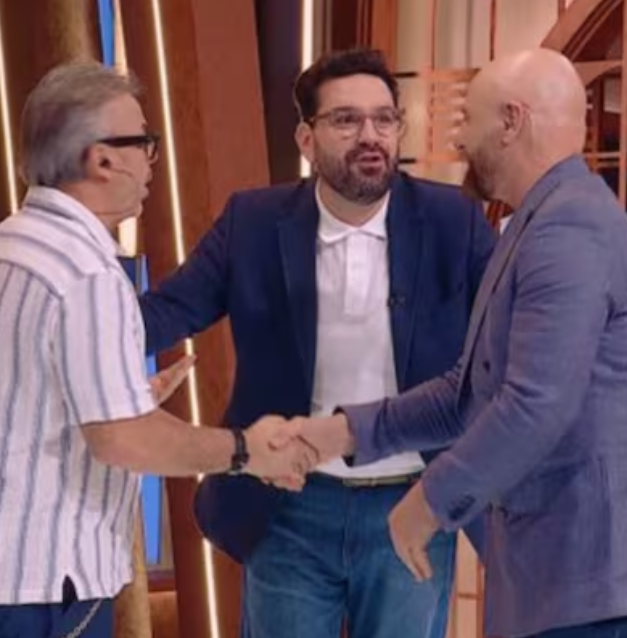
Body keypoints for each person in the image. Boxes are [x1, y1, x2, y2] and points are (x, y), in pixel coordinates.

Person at [294, 48, 627, 638]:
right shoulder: (538, 223)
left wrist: (427, 503)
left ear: (512, 122)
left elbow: (536, 403)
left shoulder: (568, 226)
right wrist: (343, 433)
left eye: (468, 118)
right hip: (575, 587)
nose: (458, 137)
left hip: (608, 587)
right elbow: (468, 394)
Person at [0, 61, 313, 638]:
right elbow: (122, 440)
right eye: (144, 142)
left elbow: (12, 399)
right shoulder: (87, 273)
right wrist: (245, 451)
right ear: (102, 159)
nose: (151, 162)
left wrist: (120, 394)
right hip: (47, 590)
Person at [139, 48, 495, 638]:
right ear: (306, 139)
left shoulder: (453, 219)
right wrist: (79, 325)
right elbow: (168, 310)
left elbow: (506, 345)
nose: (370, 135)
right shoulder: (254, 221)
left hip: (412, 501)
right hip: (288, 503)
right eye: (346, 120)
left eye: (384, 119)